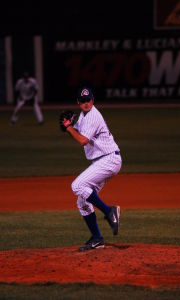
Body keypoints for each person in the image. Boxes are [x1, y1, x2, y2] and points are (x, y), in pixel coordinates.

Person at [61, 87, 122, 251]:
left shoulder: (93, 116)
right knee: (82, 202)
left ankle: (109, 210)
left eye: (88, 100)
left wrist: (68, 128)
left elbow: (82, 140)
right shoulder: (83, 116)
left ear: (93, 101)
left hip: (109, 159)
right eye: (83, 101)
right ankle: (97, 238)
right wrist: (70, 124)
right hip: (103, 160)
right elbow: (78, 130)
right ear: (78, 102)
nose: (86, 103)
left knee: (77, 185)